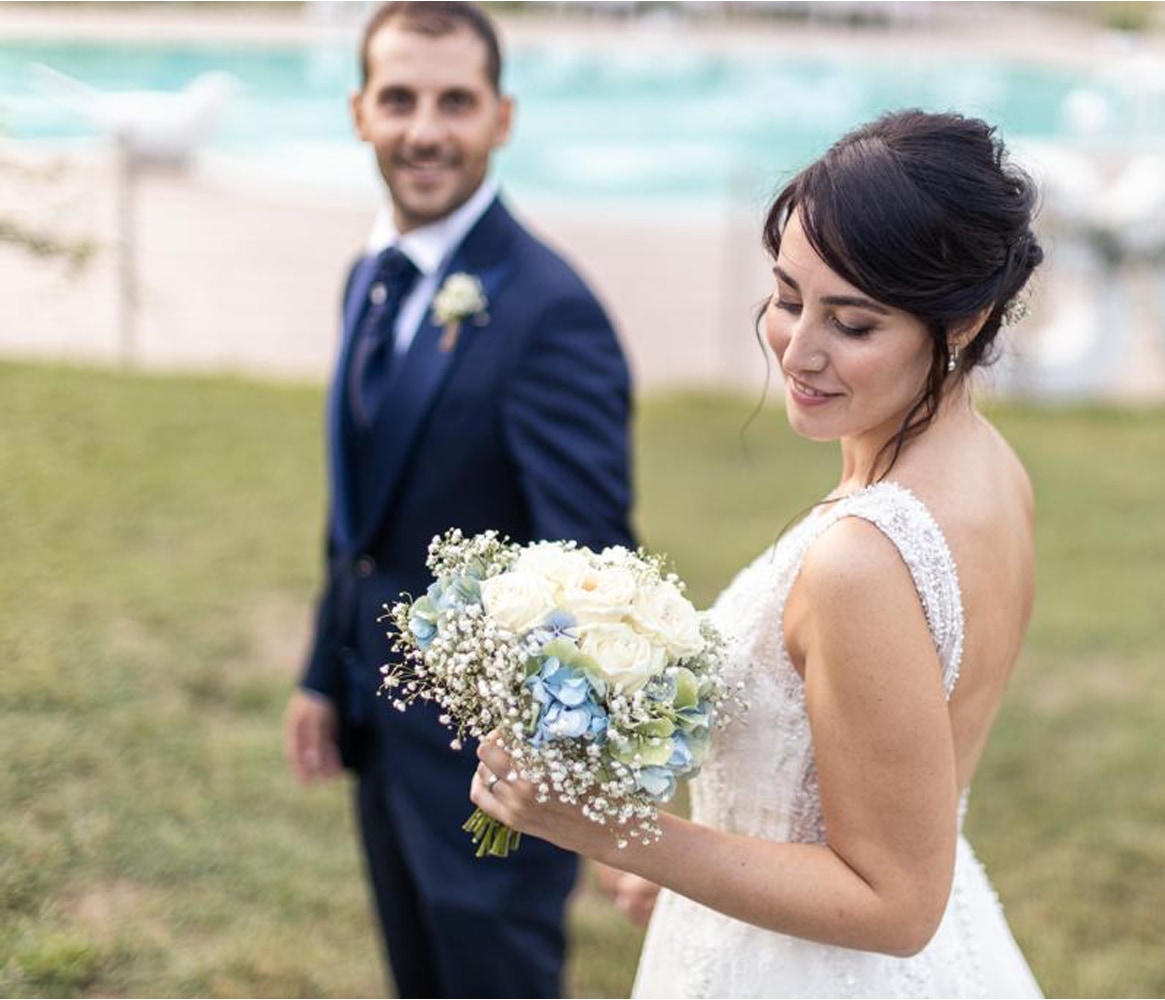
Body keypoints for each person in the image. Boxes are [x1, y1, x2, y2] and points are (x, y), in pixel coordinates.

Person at [472, 109, 1045, 998]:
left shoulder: (863, 561)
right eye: (787, 298)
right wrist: (692, 867)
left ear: (964, 321)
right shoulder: (990, 467)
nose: (798, 350)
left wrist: (611, 831)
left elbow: (896, 903)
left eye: (852, 325)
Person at [281, 3, 633, 996]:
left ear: (501, 117)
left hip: (492, 776)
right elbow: (360, 511)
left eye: (455, 102)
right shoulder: (369, 274)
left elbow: (592, 569)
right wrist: (323, 671)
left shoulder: (550, 312)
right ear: (360, 112)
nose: (425, 131)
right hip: (379, 730)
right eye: (399, 99)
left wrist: (557, 773)